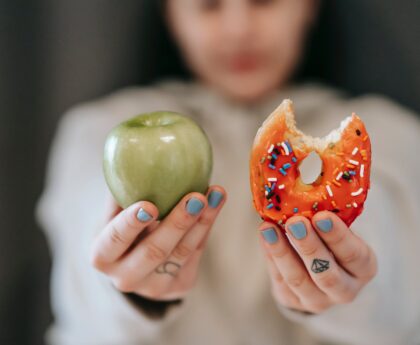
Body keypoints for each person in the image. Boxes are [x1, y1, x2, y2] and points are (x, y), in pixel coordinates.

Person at [35, 0, 420, 344]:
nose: (239, 29)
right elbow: (81, 295)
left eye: (264, 1)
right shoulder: (94, 131)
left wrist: (346, 291)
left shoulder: (390, 133)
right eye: (208, 5)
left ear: (310, 6)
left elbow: (396, 294)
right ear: (170, 13)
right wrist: (126, 288)